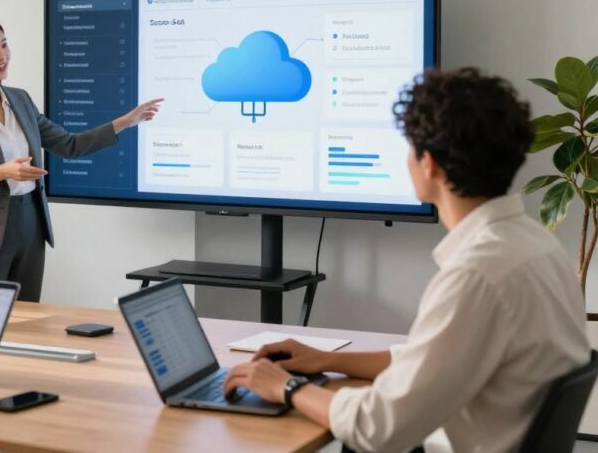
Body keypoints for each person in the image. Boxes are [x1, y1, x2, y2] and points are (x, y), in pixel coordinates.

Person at [223, 68, 590, 453]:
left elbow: (378, 429)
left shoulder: (477, 274)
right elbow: (431, 363)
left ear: (428, 163)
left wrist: (286, 386)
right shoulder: (535, 246)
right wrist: (326, 360)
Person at [0, 15, 162, 302]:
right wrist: (0, 173)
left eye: (4, 45)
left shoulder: (21, 100)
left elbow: (69, 145)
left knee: (28, 319)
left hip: (31, 222)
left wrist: (124, 123)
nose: (1, 55)